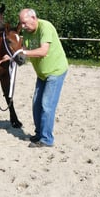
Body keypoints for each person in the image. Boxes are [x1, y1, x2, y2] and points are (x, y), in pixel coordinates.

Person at [18, 8, 68, 148]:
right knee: (36, 103)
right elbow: (22, 49)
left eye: (24, 23)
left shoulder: (46, 27)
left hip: (55, 71)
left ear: (33, 18)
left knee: (47, 104)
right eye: (21, 23)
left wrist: (23, 53)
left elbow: (43, 51)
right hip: (42, 74)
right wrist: (11, 56)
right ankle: (39, 133)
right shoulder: (27, 33)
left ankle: (46, 139)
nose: (22, 26)